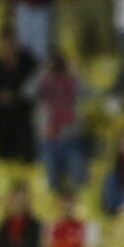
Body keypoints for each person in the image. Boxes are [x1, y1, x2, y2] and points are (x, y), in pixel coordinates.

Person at [35, 51, 89, 194]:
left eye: (59, 65)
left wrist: (73, 72)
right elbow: (26, 92)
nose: (57, 69)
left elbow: (88, 92)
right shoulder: (43, 82)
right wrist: (42, 73)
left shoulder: (72, 81)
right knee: (51, 182)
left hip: (70, 140)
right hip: (49, 140)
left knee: (80, 178)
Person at [0, 32, 37, 163]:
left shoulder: (28, 65)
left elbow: (34, 90)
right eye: (4, 47)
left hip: (22, 119)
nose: (6, 50)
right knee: (3, 159)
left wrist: (15, 96)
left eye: (10, 46)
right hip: (2, 120)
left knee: (26, 159)